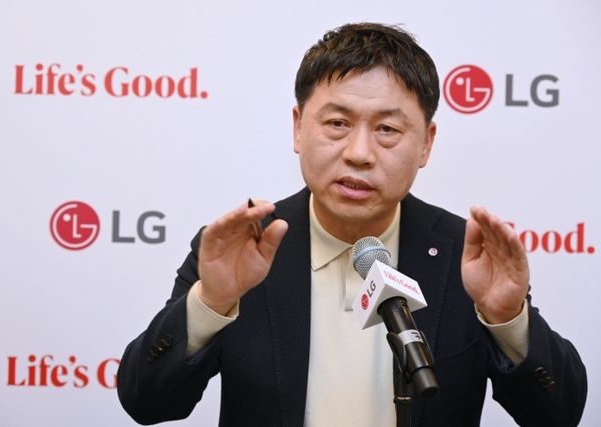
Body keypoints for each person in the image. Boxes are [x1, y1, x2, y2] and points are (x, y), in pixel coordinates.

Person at [117, 23, 587, 426]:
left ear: (426, 143)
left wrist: (507, 319)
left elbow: (559, 414)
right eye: (338, 123)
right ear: (298, 127)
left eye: (387, 130)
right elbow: (147, 403)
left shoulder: (465, 256)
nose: (359, 153)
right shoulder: (242, 249)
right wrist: (212, 303)